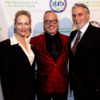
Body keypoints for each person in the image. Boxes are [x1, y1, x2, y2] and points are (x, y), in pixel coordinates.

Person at [31, 10, 70, 100]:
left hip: (62, 87)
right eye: (47, 21)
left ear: (58, 22)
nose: (51, 24)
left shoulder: (68, 40)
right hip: (43, 87)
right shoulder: (34, 41)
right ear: (43, 24)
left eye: (53, 21)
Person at [0, 10, 35, 100]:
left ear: (30, 25)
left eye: (26, 24)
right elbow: (5, 76)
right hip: (15, 95)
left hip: (31, 93)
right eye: (20, 23)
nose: (23, 27)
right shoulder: (5, 45)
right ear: (15, 25)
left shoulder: (31, 44)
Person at [69, 3, 100, 100]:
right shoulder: (73, 34)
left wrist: (97, 86)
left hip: (93, 90)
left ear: (87, 15)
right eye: (74, 15)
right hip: (77, 88)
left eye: (80, 14)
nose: (76, 18)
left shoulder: (97, 33)